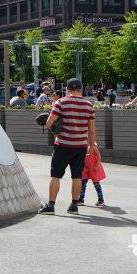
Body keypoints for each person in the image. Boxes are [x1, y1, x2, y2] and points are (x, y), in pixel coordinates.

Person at [38, 78, 96, 216]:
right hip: (81, 146)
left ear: (67, 89)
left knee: (55, 176)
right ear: (81, 89)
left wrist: (54, 124)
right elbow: (91, 129)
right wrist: (92, 145)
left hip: (63, 145)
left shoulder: (61, 102)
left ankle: (51, 206)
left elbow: (49, 123)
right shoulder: (89, 105)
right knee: (77, 176)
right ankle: (74, 206)